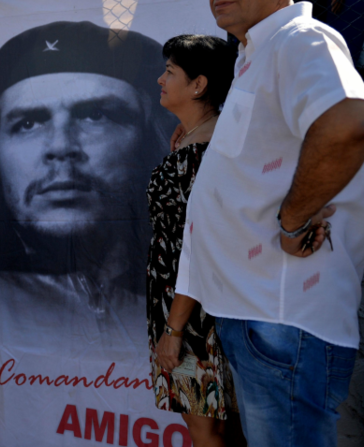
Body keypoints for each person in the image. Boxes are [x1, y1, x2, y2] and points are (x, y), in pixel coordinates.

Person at [178, 0, 364, 447]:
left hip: (283, 321)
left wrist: (293, 221)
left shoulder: (300, 40)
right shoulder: (256, 52)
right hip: (260, 318)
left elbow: (351, 121)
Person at [0, 21, 176, 349]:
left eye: (95, 115)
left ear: (149, 139)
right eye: (28, 123)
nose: (61, 147)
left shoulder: (192, 288)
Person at [146, 35, 241, 446]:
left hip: (191, 314)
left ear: (199, 85)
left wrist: (174, 328)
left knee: (205, 429)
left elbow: (197, 247)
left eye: (170, 72)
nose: (160, 79)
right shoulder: (201, 140)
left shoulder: (197, 156)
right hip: (195, 306)